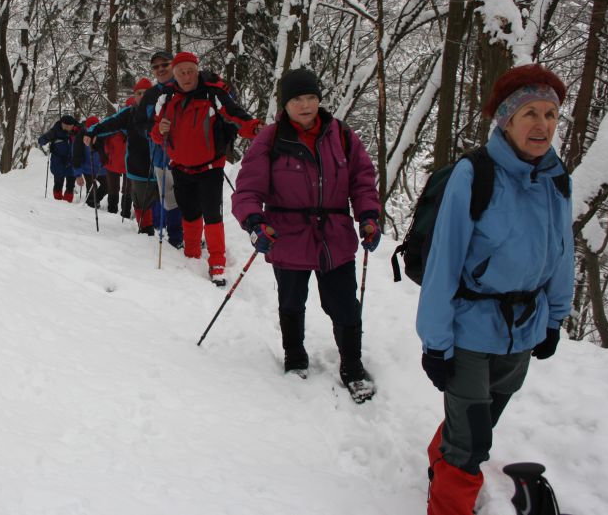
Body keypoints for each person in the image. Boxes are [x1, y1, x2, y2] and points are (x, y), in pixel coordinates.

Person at [416, 64, 574, 515]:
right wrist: (436, 341)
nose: (543, 125)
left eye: (550, 114)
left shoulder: (556, 178)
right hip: (469, 329)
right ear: (507, 119)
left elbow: (562, 253)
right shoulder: (474, 175)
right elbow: (444, 263)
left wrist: (554, 319)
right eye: (530, 114)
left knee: (477, 421)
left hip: (523, 330)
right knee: (471, 445)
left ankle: (439, 466)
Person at [231, 68, 381, 401]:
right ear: (284, 105)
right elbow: (247, 190)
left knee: (344, 304)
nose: (306, 105)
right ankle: (295, 355)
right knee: (291, 301)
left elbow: (362, 180)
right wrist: (255, 223)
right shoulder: (269, 140)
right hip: (287, 235)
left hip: (334, 236)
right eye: (297, 99)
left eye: (311, 97)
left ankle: (352, 366)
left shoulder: (341, 136)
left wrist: (369, 216)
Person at [151, 51, 261, 285]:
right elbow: (156, 135)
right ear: (175, 74)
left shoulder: (212, 93)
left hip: (210, 167)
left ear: (196, 70)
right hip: (180, 167)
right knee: (189, 213)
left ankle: (217, 261)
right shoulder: (166, 98)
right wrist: (159, 130)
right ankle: (192, 254)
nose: (186, 76)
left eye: (190, 71)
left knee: (212, 215)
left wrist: (254, 129)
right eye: (181, 72)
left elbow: (234, 114)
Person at [85, 78, 159, 235]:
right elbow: (108, 123)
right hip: (137, 167)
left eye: (145, 93)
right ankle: (146, 232)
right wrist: (92, 131)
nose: (142, 96)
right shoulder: (129, 114)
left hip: (161, 165)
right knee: (140, 203)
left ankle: (172, 238)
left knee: (165, 205)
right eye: (138, 93)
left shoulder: (162, 109)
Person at [137, 50, 183, 248]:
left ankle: (191, 237)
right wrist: (153, 130)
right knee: (170, 199)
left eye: (164, 64)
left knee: (189, 198)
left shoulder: (185, 86)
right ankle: (175, 239)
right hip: (160, 156)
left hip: (186, 156)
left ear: (173, 65)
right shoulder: (151, 94)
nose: (160, 69)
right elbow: (140, 124)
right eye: (156, 67)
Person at [38, 114, 80, 203]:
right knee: (58, 184)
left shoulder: (78, 131)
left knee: (70, 186)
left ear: (73, 125)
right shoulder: (55, 131)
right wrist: (46, 138)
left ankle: (67, 204)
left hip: (72, 162)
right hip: (58, 162)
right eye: (65, 125)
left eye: (70, 126)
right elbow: (41, 140)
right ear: (62, 124)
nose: (68, 127)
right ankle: (58, 204)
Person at [73, 115, 108, 208]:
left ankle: (94, 201)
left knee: (107, 186)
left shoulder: (103, 134)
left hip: (102, 168)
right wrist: (78, 174)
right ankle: (91, 205)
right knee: (92, 188)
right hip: (88, 168)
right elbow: (76, 156)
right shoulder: (80, 137)